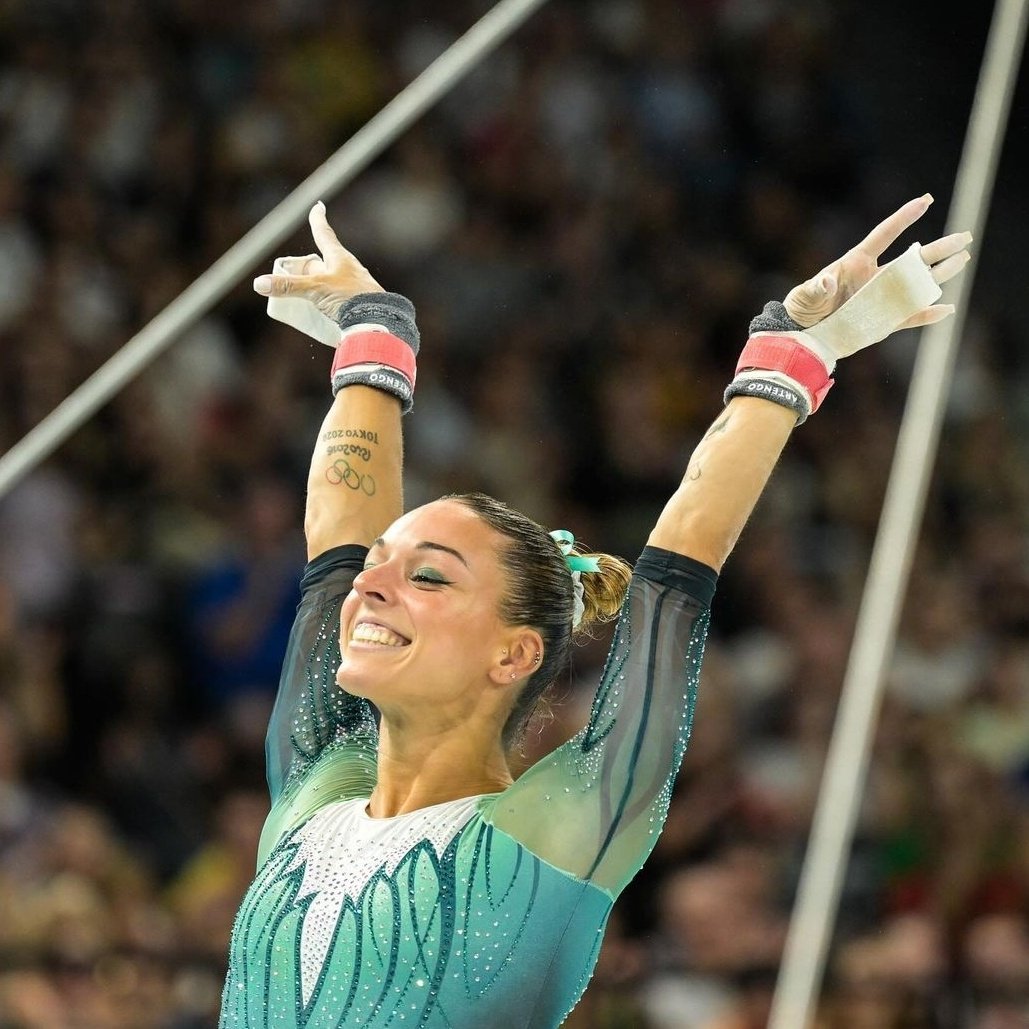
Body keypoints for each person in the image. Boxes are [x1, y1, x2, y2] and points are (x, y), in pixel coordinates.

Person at [220, 195, 970, 1027]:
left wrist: (790, 355)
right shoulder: (316, 789)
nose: (373, 584)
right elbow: (337, 546)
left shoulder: (555, 829)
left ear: (513, 654)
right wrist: (371, 333)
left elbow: (678, 570)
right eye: (385, 567)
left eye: (428, 578)